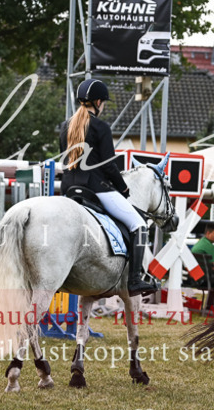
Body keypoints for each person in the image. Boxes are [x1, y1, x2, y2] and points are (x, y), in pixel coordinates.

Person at [60, 78, 158, 296]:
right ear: (97, 102)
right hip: (95, 188)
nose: (102, 106)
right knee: (139, 225)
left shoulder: (66, 126)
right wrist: (123, 188)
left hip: (68, 189)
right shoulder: (100, 126)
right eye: (102, 102)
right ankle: (134, 280)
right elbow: (109, 166)